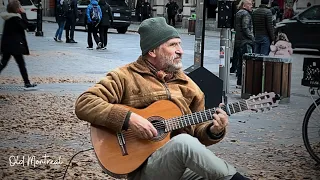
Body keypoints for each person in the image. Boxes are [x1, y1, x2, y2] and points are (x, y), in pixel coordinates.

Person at [75, 17, 249, 180]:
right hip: (143, 169)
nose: (180, 51)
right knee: (182, 143)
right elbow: (85, 102)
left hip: (180, 166)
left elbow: (198, 135)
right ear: (152, 50)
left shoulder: (189, 85)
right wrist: (128, 119)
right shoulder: (125, 77)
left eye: (180, 44)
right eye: (173, 45)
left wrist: (214, 130)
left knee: (211, 173)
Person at [0, 0, 37, 90]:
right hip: (15, 46)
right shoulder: (15, 19)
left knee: (4, 63)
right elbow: (27, 26)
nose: (22, 8)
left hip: (8, 45)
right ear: (17, 9)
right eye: (20, 6)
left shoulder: (9, 18)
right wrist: (24, 14)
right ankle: (27, 83)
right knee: (20, 64)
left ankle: (27, 83)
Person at [234, 0, 254, 89]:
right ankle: (242, 82)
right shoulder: (246, 14)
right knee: (245, 63)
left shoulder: (238, 13)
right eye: (249, 4)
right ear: (244, 5)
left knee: (240, 62)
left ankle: (239, 81)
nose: (251, 6)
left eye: (251, 4)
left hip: (239, 41)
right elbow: (245, 27)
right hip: (245, 41)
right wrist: (252, 37)